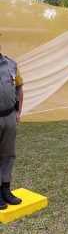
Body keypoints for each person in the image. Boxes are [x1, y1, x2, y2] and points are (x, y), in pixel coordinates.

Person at [0, 47, 24, 209]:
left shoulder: (11, 65)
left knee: (8, 153)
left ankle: (6, 190)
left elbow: (19, 88)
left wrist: (18, 111)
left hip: (9, 115)